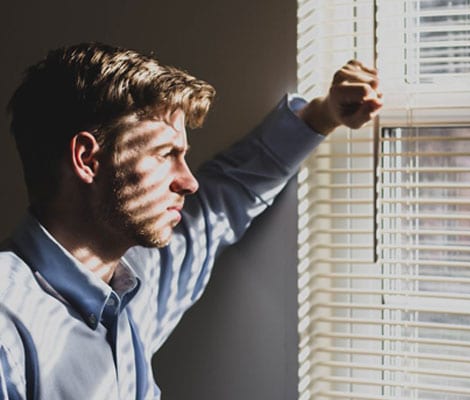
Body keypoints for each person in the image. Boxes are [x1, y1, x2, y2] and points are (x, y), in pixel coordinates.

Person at [0, 42, 382, 399]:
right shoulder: (8, 329)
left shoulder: (136, 284)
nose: (189, 181)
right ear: (88, 159)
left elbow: (224, 198)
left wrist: (323, 114)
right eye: (166, 154)